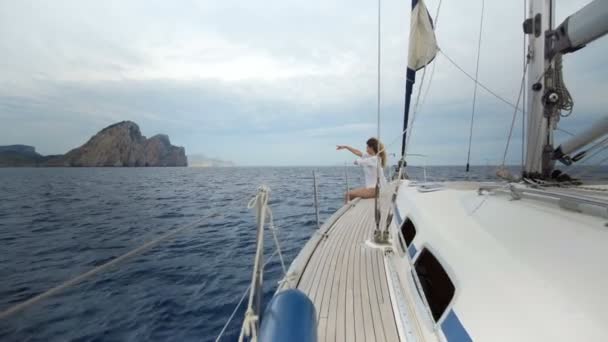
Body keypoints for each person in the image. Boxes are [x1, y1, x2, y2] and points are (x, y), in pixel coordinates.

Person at [336, 137, 387, 203]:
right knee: (351, 195)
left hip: (375, 190)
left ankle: (351, 213)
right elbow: (358, 152)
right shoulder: (370, 156)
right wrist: (346, 147)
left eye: (367, 146)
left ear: (371, 148)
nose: (366, 148)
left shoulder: (375, 159)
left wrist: (357, 161)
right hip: (374, 189)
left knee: (347, 195)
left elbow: (358, 162)